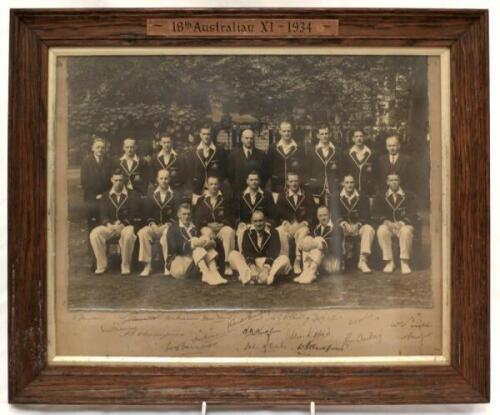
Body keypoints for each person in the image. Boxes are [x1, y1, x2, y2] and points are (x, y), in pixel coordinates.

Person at [89, 170, 142, 275]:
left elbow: (133, 214)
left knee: (129, 234)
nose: (118, 183)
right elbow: (103, 215)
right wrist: (110, 225)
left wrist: (122, 225)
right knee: (95, 234)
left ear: (124, 181)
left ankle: (125, 265)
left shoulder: (132, 195)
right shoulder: (105, 195)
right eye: (116, 180)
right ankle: (102, 265)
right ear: (111, 180)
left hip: (126, 226)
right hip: (110, 226)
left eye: (121, 180)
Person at [166, 203, 227, 285]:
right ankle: (207, 274)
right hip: (178, 263)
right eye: (184, 214)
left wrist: (211, 242)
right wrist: (193, 244)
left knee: (205, 241)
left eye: (189, 214)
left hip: (194, 261)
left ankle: (214, 273)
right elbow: (174, 248)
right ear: (178, 215)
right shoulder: (172, 229)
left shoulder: (195, 226)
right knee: (196, 245)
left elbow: (211, 240)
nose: (187, 217)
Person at [228, 210, 292, 285]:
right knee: (233, 254)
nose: (258, 224)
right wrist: (252, 267)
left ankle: (267, 276)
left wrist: (266, 269)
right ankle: (251, 275)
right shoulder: (247, 233)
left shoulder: (273, 232)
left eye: (260, 221)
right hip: (253, 263)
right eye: (255, 221)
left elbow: (273, 252)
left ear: (265, 221)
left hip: (269, 264)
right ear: (252, 222)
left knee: (285, 259)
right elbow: (247, 251)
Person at [136, 169, 180, 277]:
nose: (164, 181)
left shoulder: (175, 194)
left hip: (169, 226)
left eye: (166, 178)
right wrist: (153, 225)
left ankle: (167, 265)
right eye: (161, 178)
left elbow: (176, 215)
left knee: (166, 235)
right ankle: (147, 265)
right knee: (143, 232)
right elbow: (147, 213)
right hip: (154, 226)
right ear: (157, 179)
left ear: (169, 179)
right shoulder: (151, 195)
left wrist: (166, 225)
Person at [373, 173, 418, 274]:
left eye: (396, 180)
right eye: (391, 180)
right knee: (381, 230)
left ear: (399, 181)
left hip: (403, 225)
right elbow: (376, 212)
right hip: (388, 225)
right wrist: (385, 221)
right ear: (387, 182)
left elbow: (413, 212)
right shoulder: (380, 195)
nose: (394, 182)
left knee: (406, 231)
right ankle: (389, 261)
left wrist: (402, 222)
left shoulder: (409, 195)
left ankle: (404, 261)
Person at [193, 175, 236, 276]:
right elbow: (196, 219)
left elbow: (232, 217)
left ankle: (227, 263)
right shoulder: (201, 200)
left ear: (219, 185)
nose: (214, 187)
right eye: (211, 184)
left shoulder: (226, 199)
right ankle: (211, 263)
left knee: (228, 231)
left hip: (221, 228)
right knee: (206, 232)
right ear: (207, 186)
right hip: (208, 228)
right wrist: (208, 224)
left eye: (216, 184)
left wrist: (223, 224)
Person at [275, 171, 316, 274]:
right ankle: (285, 262)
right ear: (287, 183)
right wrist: (285, 223)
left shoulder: (307, 195)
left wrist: (303, 223)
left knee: (303, 231)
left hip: (302, 226)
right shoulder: (282, 195)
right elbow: (278, 214)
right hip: (288, 226)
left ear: (299, 181)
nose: (294, 184)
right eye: (291, 181)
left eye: (296, 181)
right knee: (279, 231)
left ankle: (297, 260)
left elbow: (312, 213)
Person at [335, 174, 375, 273]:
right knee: (337, 230)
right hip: (344, 227)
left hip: (358, 226)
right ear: (343, 184)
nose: (349, 185)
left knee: (369, 229)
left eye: (352, 182)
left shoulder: (362, 196)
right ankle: (341, 260)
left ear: (355, 183)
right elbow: (334, 213)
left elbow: (366, 214)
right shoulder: (336, 196)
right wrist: (343, 222)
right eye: (347, 182)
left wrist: (359, 224)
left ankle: (363, 260)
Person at [295, 206, 343, 284]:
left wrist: (315, 243)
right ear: (317, 217)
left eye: (325, 215)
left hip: (333, 262)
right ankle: (306, 270)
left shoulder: (337, 228)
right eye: (320, 216)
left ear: (330, 215)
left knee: (317, 240)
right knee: (308, 240)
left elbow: (333, 247)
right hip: (320, 263)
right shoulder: (315, 229)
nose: (323, 218)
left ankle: (311, 272)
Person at [184, 124, 227, 202]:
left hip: (214, 189)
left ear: (211, 135)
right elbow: (189, 170)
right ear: (200, 135)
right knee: (198, 211)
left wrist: (218, 183)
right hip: (198, 189)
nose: (206, 137)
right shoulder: (193, 151)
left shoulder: (219, 151)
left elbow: (223, 170)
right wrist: (194, 184)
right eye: (204, 134)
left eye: (208, 134)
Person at [233, 171, 275, 250]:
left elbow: (273, 214)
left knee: (268, 231)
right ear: (247, 181)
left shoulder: (266, 195)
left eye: (256, 180)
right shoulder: (240, 195)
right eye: (251, 180)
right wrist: (239, 223)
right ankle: (243, 256)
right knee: (242, 231)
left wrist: (268, 222)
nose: (254, 182)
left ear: (259, 181)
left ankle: (266, 256)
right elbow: (235, 214)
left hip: (262, 223)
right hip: (246, 224)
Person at [80, 137, 113, 230]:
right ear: (92, 148)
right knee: (92, 223)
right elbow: (84, 182)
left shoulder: (109, 161)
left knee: (105, 222)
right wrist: (96, 195)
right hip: (91, 198)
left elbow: (111, 180)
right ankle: (91, 244)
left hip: (106, 197)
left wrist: (105, 195)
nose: (100, 150)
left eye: (102, 147)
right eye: (98, 147)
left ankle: (103, 244)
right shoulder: (86, 162)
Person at [267, 121, 305, 202]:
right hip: (277, 187)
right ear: (280, 132)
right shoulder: (273, 148)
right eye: (284, 131)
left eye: (289, 131)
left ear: (292, 131)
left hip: (295, 188)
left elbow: (303, 169)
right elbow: (269, 168)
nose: (286, 133)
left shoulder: (299, 148)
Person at [307, 125, 342, 205]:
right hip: (317, 186)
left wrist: (339, 182)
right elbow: (307, 170)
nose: (324, 136)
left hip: (333, 186)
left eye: (326, 133)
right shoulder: (312, 150)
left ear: (330, 134)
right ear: (318, 136)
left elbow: (341, 170)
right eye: (322, 134)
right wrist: (310, 183)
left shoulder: (337, 150)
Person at [342, 129, 376, 196]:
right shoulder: (346, 153)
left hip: (368, 191)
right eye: (356, 136)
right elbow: (344, 172)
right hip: (352, 191)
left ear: (365, 138)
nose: (359, 139)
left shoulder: (372, 153)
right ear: (353, 139)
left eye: (361, 136)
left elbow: (376, 174)